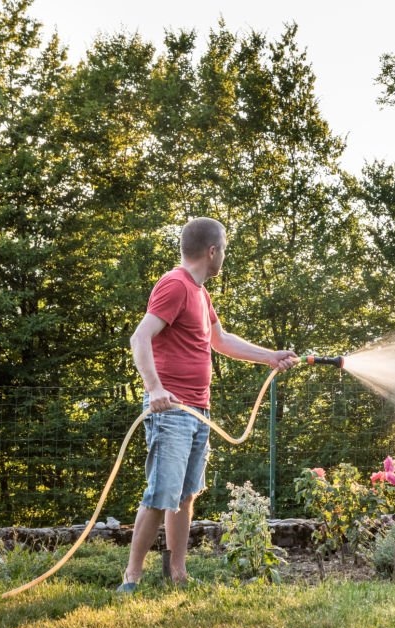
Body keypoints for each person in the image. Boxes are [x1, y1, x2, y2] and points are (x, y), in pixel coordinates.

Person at [118, 217, 298, 592]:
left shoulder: (200, 293)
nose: (224, 257)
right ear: (212, 251)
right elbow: (140, 338)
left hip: (199, 411)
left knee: (185, 497)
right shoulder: (175, 285)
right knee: (159, 495)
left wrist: (270, 356)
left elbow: (220, 340)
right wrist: (154, 389)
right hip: (171, 410)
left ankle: (178, 574)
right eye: (224, 250)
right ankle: (132, 577)